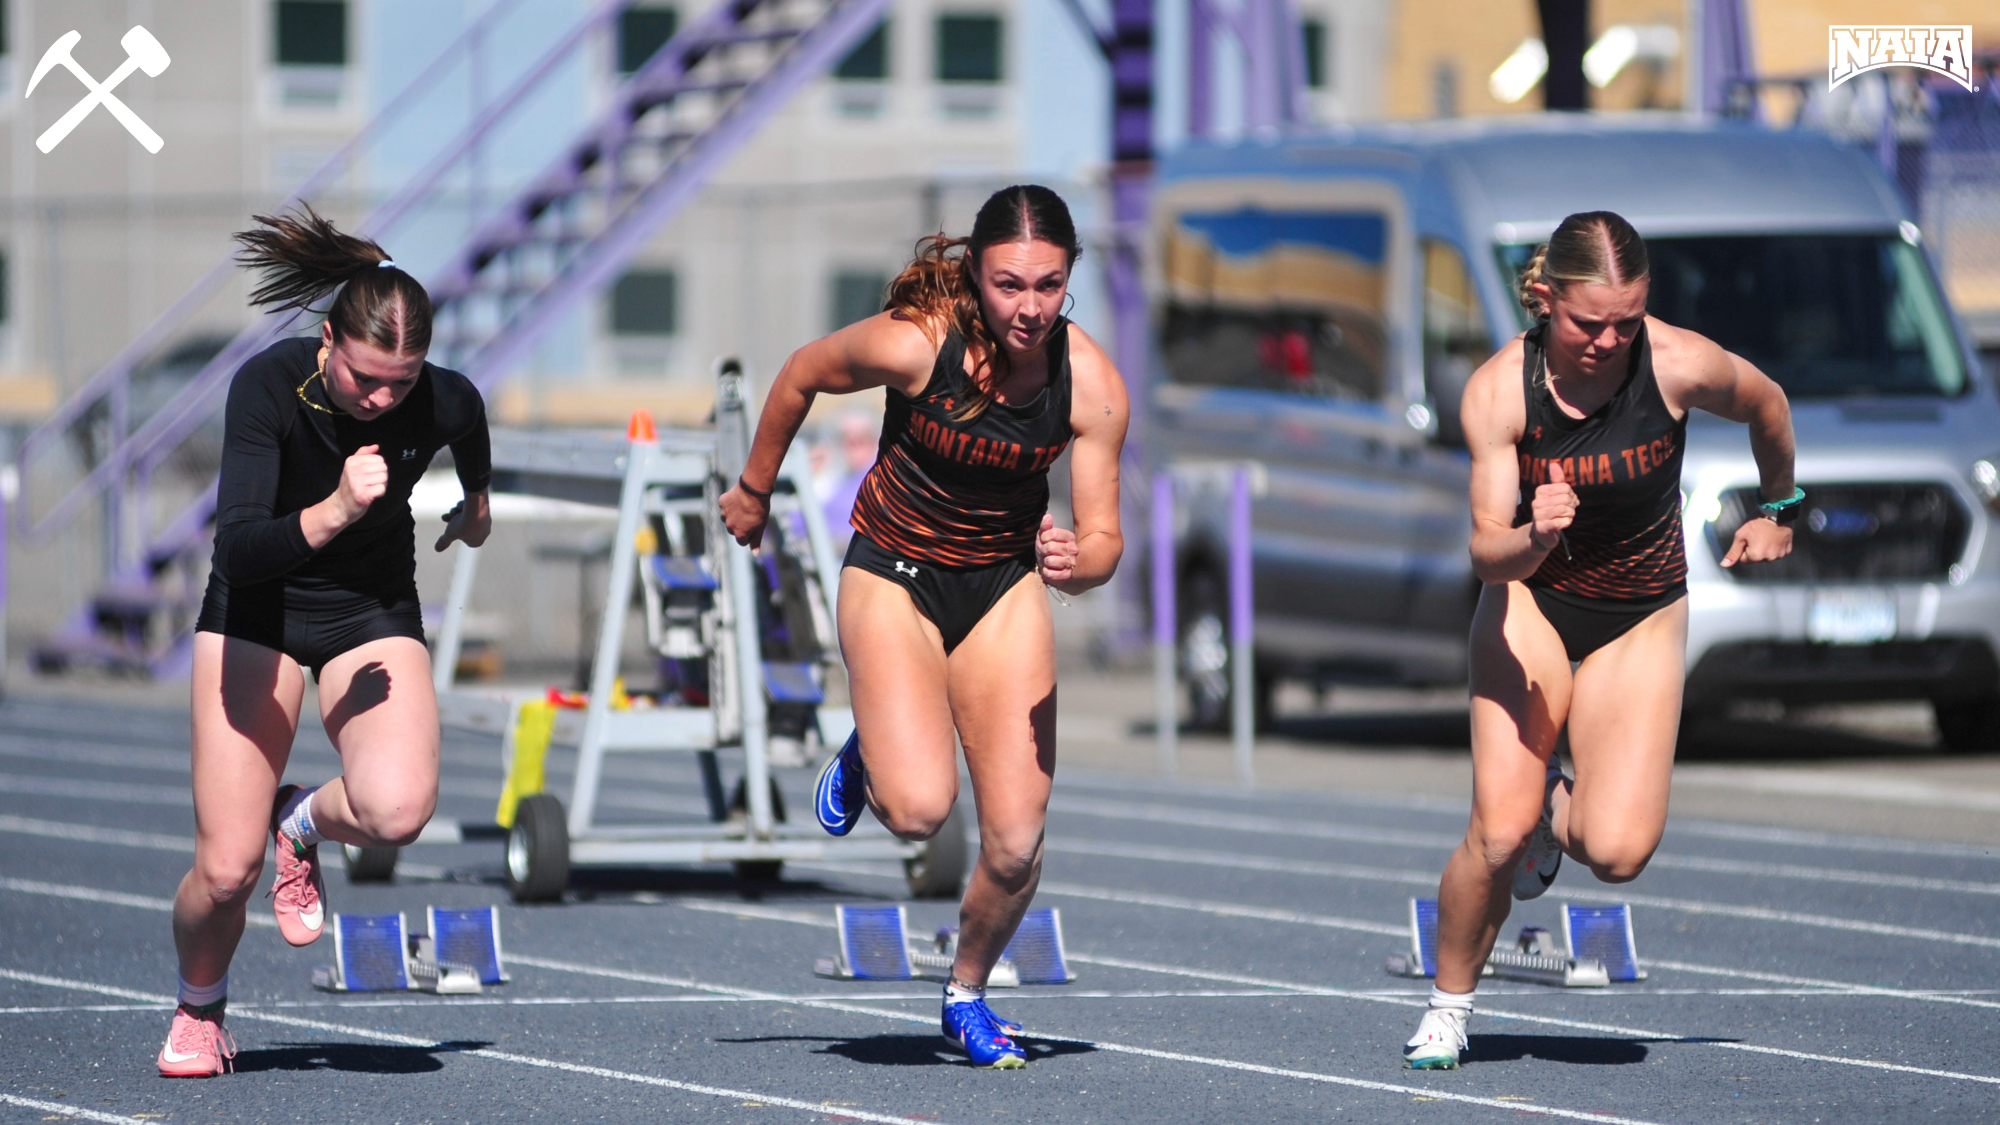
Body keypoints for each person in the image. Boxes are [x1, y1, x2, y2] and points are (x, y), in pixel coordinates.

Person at [719, 185, 1127, 1069]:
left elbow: (1104, 540)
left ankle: (966, 992)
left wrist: (1078, 563)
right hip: (894, 572)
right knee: (917, 809)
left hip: (1001, 584)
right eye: (1009, 284)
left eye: (1048, 286)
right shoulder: (919, 340)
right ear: (976, 276)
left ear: (1070, 280)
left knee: (1017, 844)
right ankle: (878, 741)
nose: (1028, 308)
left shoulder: (1089, 382)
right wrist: (753, 490)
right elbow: (799, 374)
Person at [1403, 211, 1797, 1069]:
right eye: (1589, 323)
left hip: (1642, 610)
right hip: (1530, 599)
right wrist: (1533, 538)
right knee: (1498, 834)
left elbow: (1768, 404)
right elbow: (1484, 549)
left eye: (1627, 320)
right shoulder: (1501, 391)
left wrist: (1779, 509)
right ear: (1546, 300)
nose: (1609, 341)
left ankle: (1555, 808)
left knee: (1618, 851)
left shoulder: (1679, 361)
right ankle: (1449, 1005)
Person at [159, 207, 491, 1078]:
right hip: (257, 609)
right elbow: (238, 547)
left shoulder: (433, 392)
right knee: (225, 871)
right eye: (366, 379)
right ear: (326, 343)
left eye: (401, 381)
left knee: (396, 810)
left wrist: (478, 502)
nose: (384, 399)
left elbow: (467, 414)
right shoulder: (266, 389)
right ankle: (199, 1006)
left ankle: (299, 819)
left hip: (368, 609)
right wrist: (337, 508)